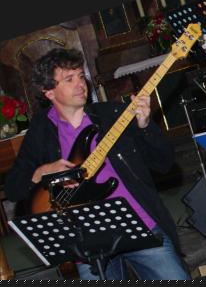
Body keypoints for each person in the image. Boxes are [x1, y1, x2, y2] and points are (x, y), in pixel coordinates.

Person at [5, 48, 189, 280]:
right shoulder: (41, 131)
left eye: (81, 76)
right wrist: (43, 172)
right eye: (69, 79)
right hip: (87, 243)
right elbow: (13, 188)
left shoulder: (113, 114)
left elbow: (164, 163)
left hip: (140, 225)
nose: (80, 84)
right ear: (48, 91)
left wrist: (145, 126)